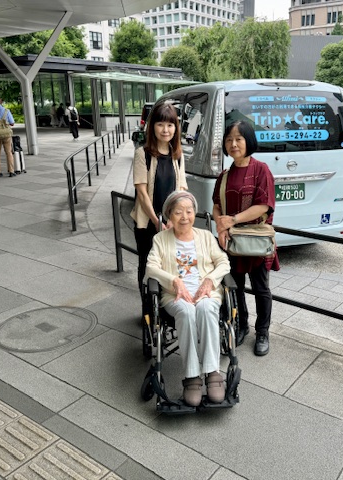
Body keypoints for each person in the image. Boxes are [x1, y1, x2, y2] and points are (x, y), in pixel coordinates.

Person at [146, 191, 230, 407]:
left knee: (206, 309)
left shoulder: (206, 236)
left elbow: (223, 262)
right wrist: (174, 280)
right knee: (186, 311)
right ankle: (192, 376)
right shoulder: (160, 239)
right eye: (178, 212)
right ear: (169, 216)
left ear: (195, 213)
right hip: (175, 295)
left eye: (189, 211)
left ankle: (212, 372)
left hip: (206, 292)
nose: (184, 217)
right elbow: (151, 268)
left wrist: (210, 280)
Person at [212, 120, 279, 357]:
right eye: (229, 139)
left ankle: (263, 332)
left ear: (248, 141)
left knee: (261, 288)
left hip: (255, 240)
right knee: (236, 287)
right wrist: (221, 226)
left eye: (239, 139)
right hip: (232, 242)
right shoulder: (224, 175)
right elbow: (216, 206)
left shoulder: (261, 170)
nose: (234, 144)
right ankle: (241, 325)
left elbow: (264, 205)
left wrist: (233, 220)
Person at [130, 103, 187, 307]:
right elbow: (142, 192)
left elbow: (181, 189)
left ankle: (163, 310)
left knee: (169, 266)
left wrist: (173, 220)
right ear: (152, 126)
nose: (165, 130)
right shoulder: (143, 154)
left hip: (171, 224)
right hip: (148, 224)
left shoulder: (177, 155)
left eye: (170, 125)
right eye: (160, 124)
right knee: (147, 266)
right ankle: (147, 311)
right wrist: (156, 221)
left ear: (176, 128)